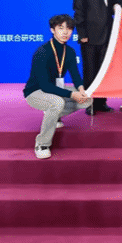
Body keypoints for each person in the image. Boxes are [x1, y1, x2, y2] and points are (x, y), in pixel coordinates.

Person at [23, 14, 93, 159]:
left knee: (88, 99)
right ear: (52, 30)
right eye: (60, 28)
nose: (65, 32)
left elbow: (75, 76)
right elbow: (45, 86)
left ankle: (55, 114)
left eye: (69, 28)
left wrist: (81, 89)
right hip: (36, 92)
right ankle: (42, 144)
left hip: (54, 90)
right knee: (57, 102)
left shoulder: (70, 52)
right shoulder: (42, 52)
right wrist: (72, 95)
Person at [73, 0, 118, 115]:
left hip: (108, 36)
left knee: (104, 71)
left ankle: (101, 102)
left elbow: (115, 9)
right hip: (89, 36)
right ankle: (89, 104)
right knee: (90, 71)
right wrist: (82, 33)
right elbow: (78, 10)